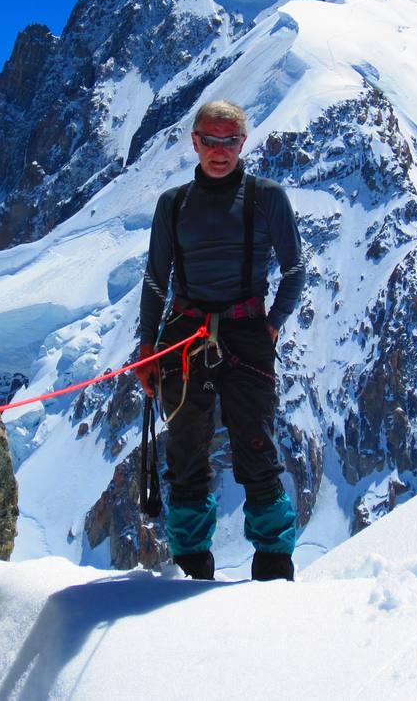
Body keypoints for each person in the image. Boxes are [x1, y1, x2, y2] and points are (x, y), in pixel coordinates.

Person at [135, 99, 304, 581]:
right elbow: (154, 280)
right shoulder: (173, 204)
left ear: (243, 143)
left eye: (229, 140)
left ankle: (273, 570)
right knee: (186, 453)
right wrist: (148, 348)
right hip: (187, 337)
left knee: (256, 449)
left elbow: (295, 270)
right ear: (194, 142)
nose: (219, 150)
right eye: (210, 139)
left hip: (245, 333)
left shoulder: (267, 196)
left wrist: (271, 326)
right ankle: (192, 570)